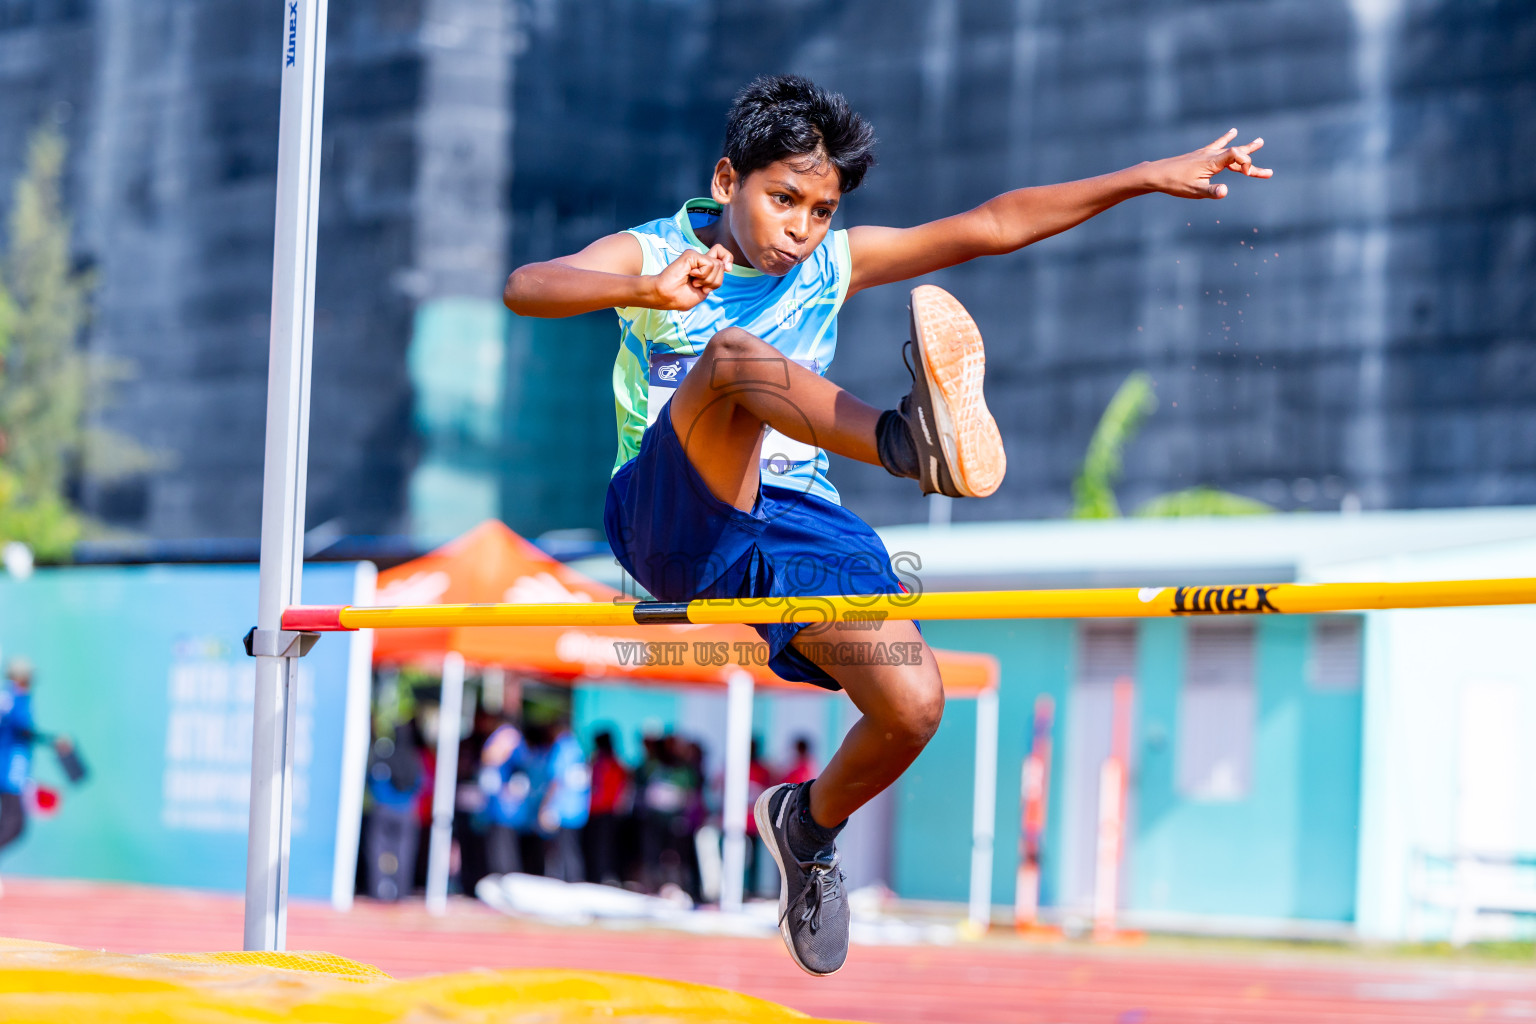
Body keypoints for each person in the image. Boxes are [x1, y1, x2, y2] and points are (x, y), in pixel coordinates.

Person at [503, 74, 1269, 976]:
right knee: (734, 360)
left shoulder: (833, 264)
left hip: (799, 523)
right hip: (671, 519)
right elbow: (527, 285)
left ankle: (806, 827)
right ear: (726, 181)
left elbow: (990, 225)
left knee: (913, 704)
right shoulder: (656, 251)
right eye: (784, 199)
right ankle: (908, 443)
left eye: (822, 210)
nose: (803, 228)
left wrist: (1145, 175)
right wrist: (647, 289)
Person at [365, 720, 426, 901]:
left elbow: (374, 780)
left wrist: (383, 799)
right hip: (406, 811)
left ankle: (377, 889)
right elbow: (420, 785)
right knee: (404, 853)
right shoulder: (415, 760)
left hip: (383, 810)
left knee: (377, 851)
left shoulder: (385, 757)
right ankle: (401, 891)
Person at [537, 717, 590, 883]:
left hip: (562, 807)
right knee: (572, 848)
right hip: (577, 808)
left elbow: (556, 780)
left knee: (560, 850)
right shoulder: (577, 747)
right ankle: (574, 881)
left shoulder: (561, 747)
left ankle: (565, 882)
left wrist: (545, 805)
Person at [585, 729, 630, 885]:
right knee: (602, 846)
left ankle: (600, 876)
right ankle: (599, 875)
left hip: (604, 810)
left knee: (602, 847)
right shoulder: (609, 762)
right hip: (602, 810)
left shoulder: (605, 763)